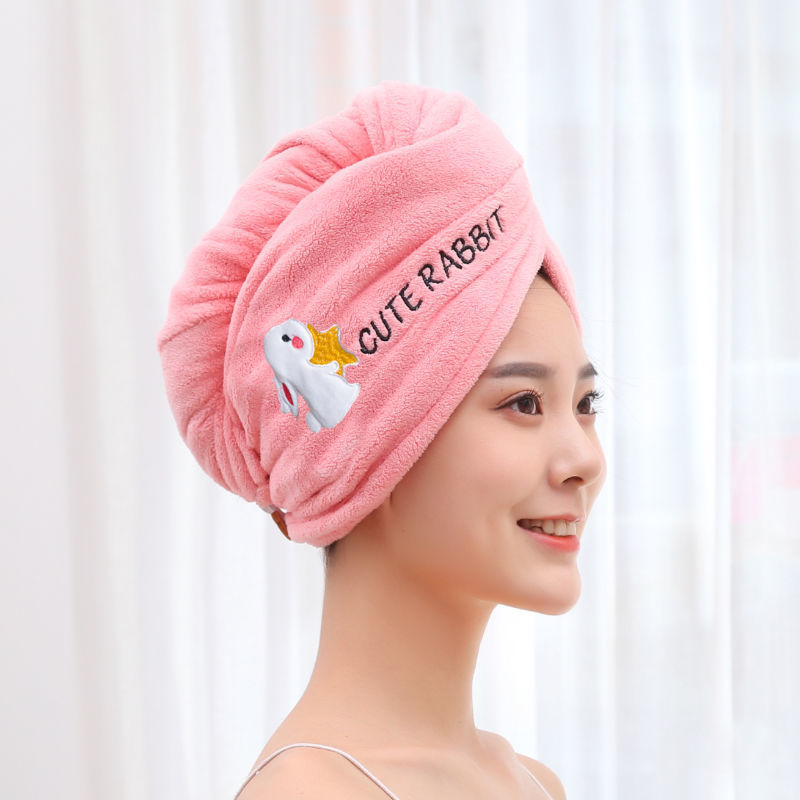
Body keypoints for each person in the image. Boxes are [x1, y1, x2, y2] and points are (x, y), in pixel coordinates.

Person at [158, 80, 606, 799]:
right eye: (524, 403)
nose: (586, 459)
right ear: (363, 453)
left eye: (586, 405)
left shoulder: (533, 785)